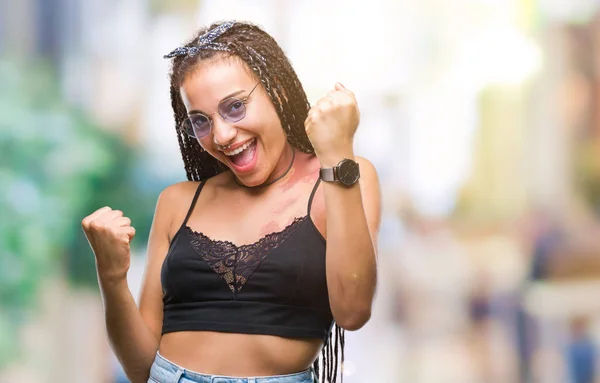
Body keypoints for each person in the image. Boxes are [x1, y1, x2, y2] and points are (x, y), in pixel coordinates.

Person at [81, 20, 380, 383]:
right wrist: (112, 276)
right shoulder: (178, 203)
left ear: (278, 93)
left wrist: (336, 154)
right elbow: (140, 368)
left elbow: (353, 311)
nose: (221, 135)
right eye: (201, 120)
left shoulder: (342, 176)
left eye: (235, 107)